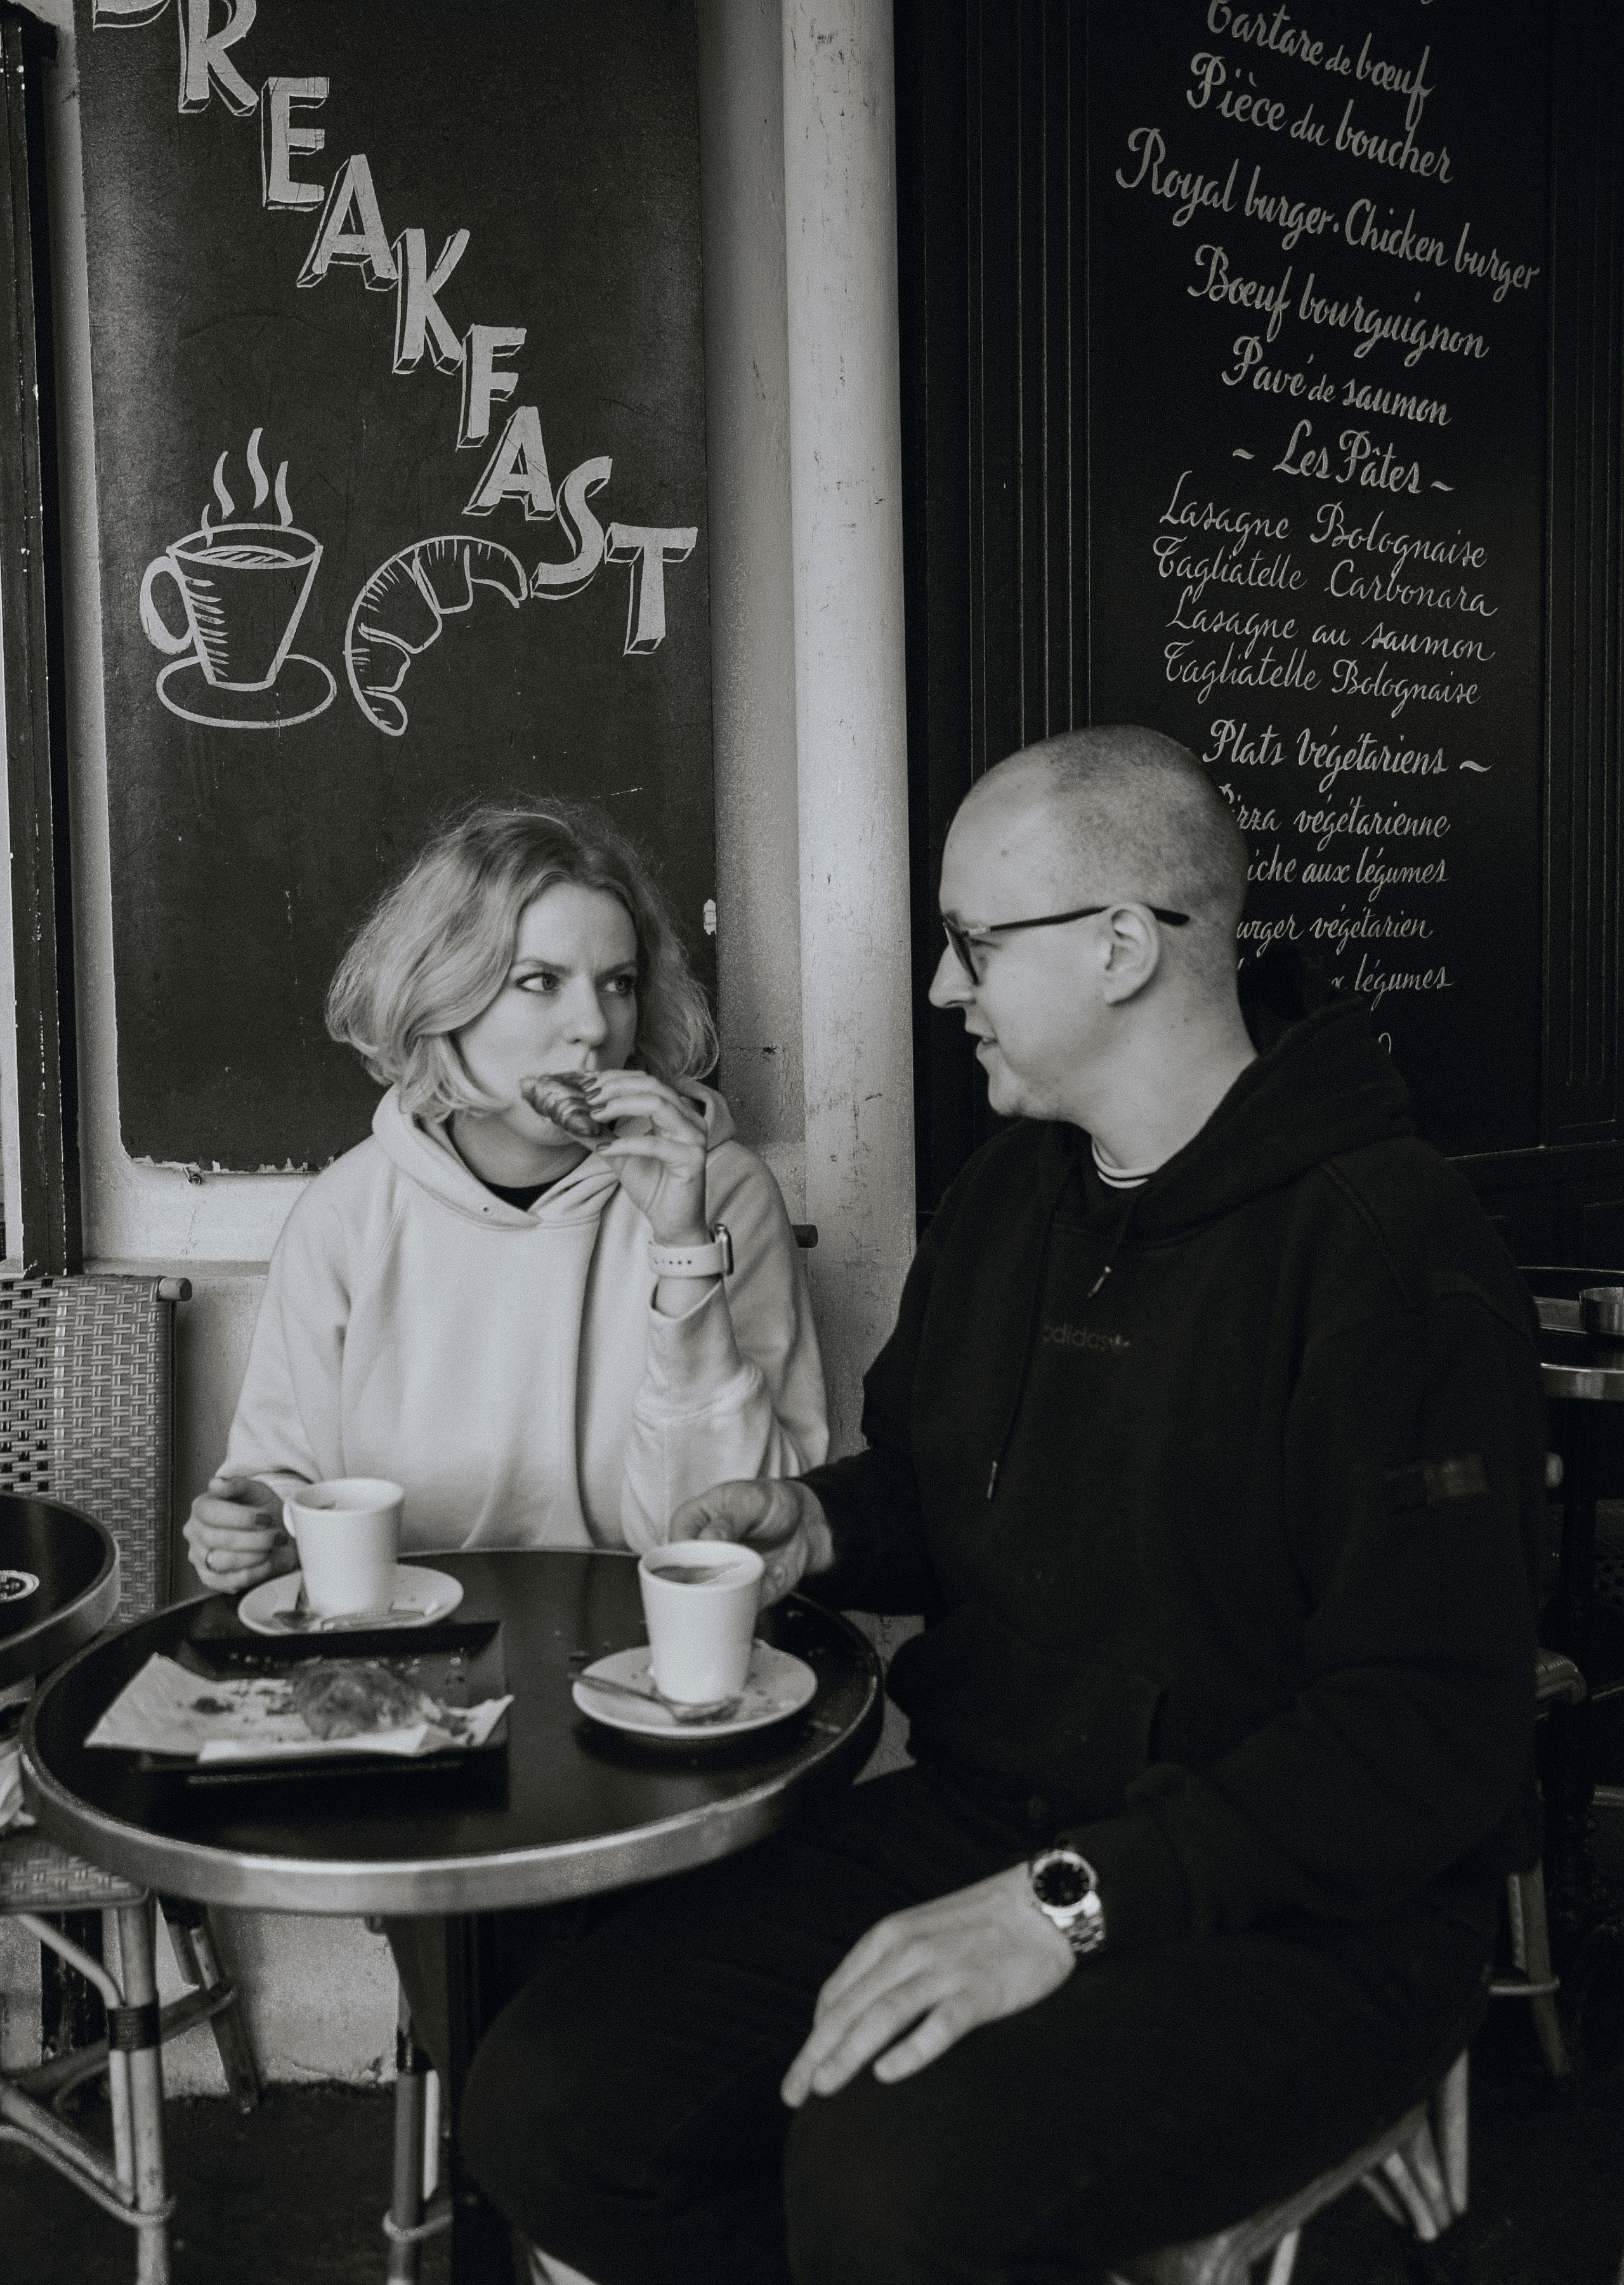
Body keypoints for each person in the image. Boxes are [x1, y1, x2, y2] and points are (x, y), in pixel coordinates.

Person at [461, 725, 1545, 2285]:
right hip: (995, 1813)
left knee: (891, 2182)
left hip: (1308, 1909)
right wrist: (819, 1521)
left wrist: (1066, 1905)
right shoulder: (1011, 1197)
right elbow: (928, 1472)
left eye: (971, 943)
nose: (939, 989)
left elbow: (1427, 1731)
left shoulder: (1391, 1259)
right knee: (551, 2102)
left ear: (1117, 947)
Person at [184, 793, 825, 1585]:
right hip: (411, 1659)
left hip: (652, 1657)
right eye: (540, 981)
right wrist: (256, 1526)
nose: (593, 1026)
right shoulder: (344, 1217)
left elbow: (737, 1541)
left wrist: (682, 1251)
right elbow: (284, 1486)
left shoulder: (723, 1194)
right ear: (445, 994)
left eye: (618, 983)